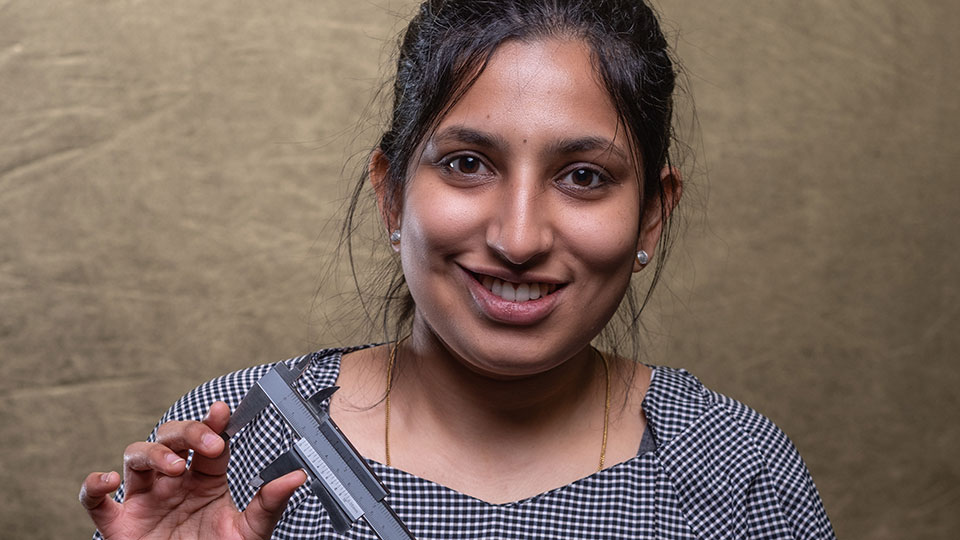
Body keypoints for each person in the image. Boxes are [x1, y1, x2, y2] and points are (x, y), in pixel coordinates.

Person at [79, 1, 836, 538]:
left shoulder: (739, 473)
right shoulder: (236, 445)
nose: (518, 237)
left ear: (651, 216)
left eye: (583, 176)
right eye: (469, 163)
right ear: (392, 194)